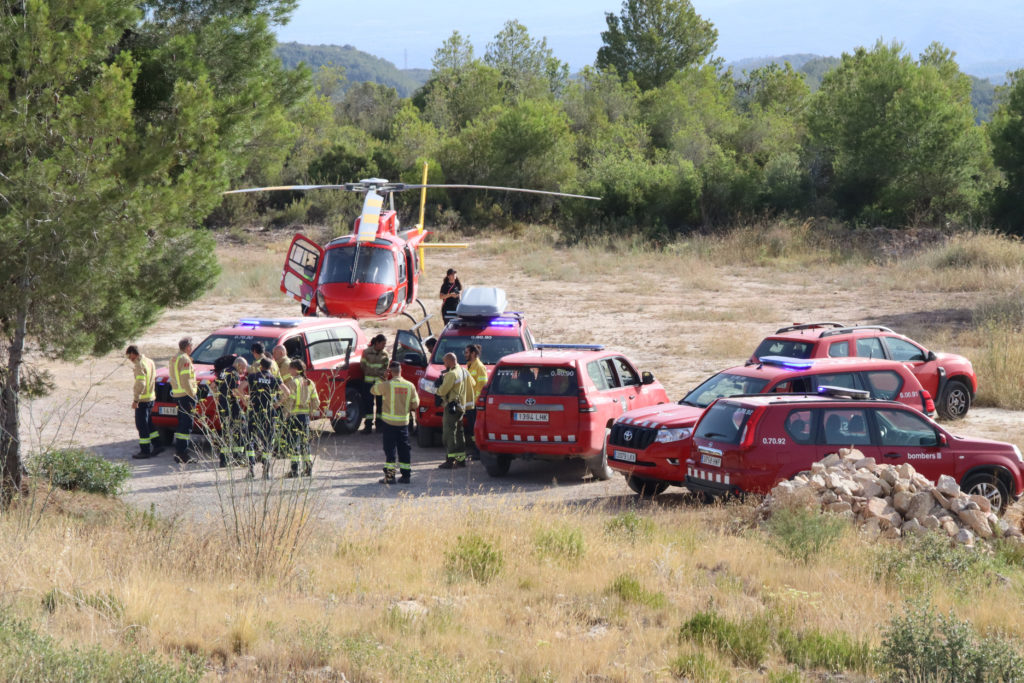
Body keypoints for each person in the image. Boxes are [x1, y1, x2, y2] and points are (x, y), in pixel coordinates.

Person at [372, 360, 420, 484]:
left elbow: (373, 390)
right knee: (404, 449)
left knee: (390, 450)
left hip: (389, 424)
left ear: (390, 372)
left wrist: (382, 378)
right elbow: (416, 404)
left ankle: (390, 477)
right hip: (404, 423)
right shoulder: (410, 385)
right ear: (401, 371)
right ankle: (406, 476)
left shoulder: (387, 384)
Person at [280, 359, 320, 478]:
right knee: (305, 444)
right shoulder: (310, 383)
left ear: (296, 369)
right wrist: (310, 411)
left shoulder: (293, 383)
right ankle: (308, 469)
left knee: (293, 444)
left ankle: (294, 470)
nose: (289, 370)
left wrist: (284, 414)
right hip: (305, 417)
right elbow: (316, 402)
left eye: (290, 368)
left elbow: (289, 401)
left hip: (294, 417)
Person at [246, 357, 281, 479]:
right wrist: (278, 403)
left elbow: (239, 389)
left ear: (260, 366)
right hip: (269, 412)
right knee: (267, 441)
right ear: (271, 367)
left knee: (250, 439)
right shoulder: (274, 379)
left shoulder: (252, 377)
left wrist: (246, 400)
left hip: (254, 412)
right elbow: (287, 392)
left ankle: (251, 470)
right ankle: (266, 471)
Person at [436, 352, 472, 469]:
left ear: (450, 361)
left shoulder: (451, 374)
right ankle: (461, 459)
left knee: (449, 432)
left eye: (445, 362)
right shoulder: (463, 371)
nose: (444, 364)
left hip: (452, 407)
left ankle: (450, 460)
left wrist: (438, 387)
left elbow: (442, 391)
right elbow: (473, 383)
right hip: (461, 406)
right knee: (459, 432)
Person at [126, 345, 161, 459]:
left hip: (143, 399)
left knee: (142, 425)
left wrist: (136, 399)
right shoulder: (149, 361)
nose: (129, 359)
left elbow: (141, 383)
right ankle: (157, 445)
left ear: (133, 353)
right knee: (149, 423)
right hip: (151, 397)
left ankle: (145, 450)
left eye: (129, 356)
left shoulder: (139, 365)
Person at [215, 355, 247, 468]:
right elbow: (235, 391)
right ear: (239, 365)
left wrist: (219, 397)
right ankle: (238, 457)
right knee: (239, 429)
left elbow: (213, 385)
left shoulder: (223, 371)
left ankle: (223, 460)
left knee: (226, 431)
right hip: (232, 405)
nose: (244, 371)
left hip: (222, 404)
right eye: (243, 368)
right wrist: (245, 398)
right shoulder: (234, 374)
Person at [168, 337, 197, 464]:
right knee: (186, 425)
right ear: (188, 347)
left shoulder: (174, 358)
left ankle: (179, 451)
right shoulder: (185, 359)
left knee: (181, 423)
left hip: (178, 394)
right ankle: (183, 453)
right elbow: (186, 380)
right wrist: (192, 395)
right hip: (186, 395)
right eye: (192, 346)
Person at [360, 334, 389, 434]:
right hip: (368, 382)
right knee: (369, 404)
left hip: (380, 383)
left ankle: (379, 426)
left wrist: (381, 377)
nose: (384, 346)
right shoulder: (366, 352)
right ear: (377, 343)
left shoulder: (385, 354)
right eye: (383, 344)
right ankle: (368, 426)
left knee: (380, 404)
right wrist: (369, 373)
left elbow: (386, 368)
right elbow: (362, 365)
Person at [463, 343, 487, 458]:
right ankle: (475, 449)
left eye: (467, 352)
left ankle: (478, 452)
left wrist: (474, 400)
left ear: (473, 353)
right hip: (470, 403)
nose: (465, 354)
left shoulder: (479, 367)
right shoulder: (470, 365)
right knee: (471, 428)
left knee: (475, 429)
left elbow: (482, 386)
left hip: (475, 404)